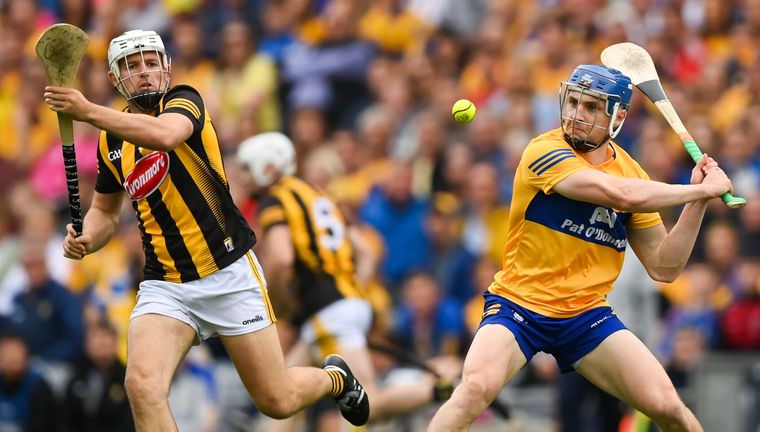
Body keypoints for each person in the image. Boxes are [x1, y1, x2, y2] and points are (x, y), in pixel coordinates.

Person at [43, 29, 369, 431]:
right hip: (167, 285)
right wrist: (86, 238)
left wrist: (87, 110)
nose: (143, 72)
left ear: (166, 67)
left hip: (227, 272)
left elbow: (165, 136)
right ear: (114, 79)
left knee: (278, 400)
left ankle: (336, 378)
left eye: (150, 62)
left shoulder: (184, 101)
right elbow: (105, 212)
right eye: (131, 65)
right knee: (142, 385)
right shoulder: (112, 138)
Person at [427, 64, 734, 432]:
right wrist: (699, 190)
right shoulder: (544, 150)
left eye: (590, 107)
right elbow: (614, 193)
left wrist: (697, 202)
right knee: (474, 390)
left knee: (668, 407)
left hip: (586, 316)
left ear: (618, 116)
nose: (576, 114)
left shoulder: (633, 173)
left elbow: (665, 267)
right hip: (520, 305)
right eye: (572, 101)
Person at [235, 132, 458, 429]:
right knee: (281, 396)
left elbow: (281, 257)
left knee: (368, 404)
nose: (243, 176)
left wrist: (277, 304)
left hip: (327, 312)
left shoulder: (275, 198)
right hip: (337, 308)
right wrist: (351, 295)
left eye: (248, 168)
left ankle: (442, 390)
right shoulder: (318, 196)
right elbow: (366, 252)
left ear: (268, 166)